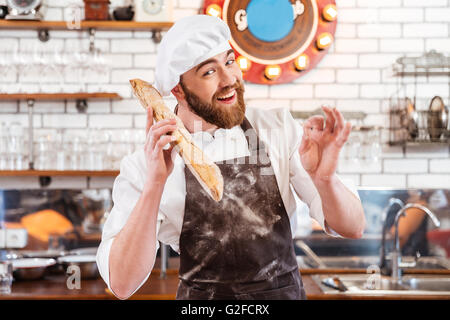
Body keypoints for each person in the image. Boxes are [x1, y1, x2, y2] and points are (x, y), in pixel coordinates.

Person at [96, 15, 365, 300]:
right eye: (209, 72)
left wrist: (324, 180)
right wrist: (154, 186)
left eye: (229, 61)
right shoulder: (145, 165)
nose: (229, 80)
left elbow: (353, 226)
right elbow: (122, 284)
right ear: (178, 90)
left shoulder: (277, 128)